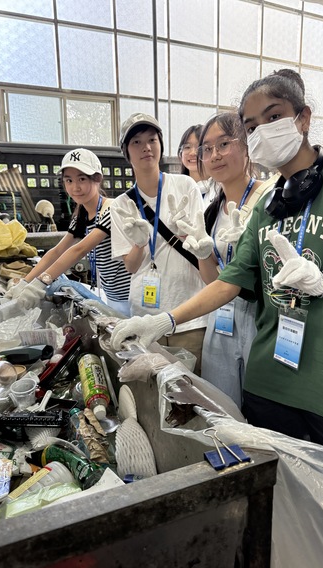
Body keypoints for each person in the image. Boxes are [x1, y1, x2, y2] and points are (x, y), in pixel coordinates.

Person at [110, 70, 323, 455]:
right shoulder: (270, 206)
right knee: (271, 484)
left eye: (274, 116)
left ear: (303, 118)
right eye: (251, 126)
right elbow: (228, 281)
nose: (263, 131)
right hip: (271, 383)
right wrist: (163, 321)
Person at [109, 113, 210, 376]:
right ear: (126, 152)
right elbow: (131, 267)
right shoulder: (121, 205)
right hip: (144, 320)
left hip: (188, 318)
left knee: (190, 391)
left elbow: (199, 243)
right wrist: (140, 243)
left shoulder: (185, 186)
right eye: (136, 142)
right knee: (152, 389)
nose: (146, 147)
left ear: (161, 145)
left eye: (152, 140)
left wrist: (187, 235)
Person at [187, 111, 269, 408]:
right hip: (220, 313)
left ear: (246, 145)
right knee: (221, 406)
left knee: (262, 409)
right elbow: (213, 281)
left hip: (260, 316)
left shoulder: (269, 198)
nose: (215, 155)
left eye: (224, 144)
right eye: (207, 148)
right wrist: (203, 254)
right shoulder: (211, 209)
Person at [4, 148, 131, 316]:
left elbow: (79, 250)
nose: (75, 187)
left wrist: (39, 284)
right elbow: (57, 251)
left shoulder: (112, 209)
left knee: (57, 285)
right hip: (111, 295)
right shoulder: (82, 215)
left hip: (130, 299)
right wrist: (25, 283)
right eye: (69, 180)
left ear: (97, 179)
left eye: (82, 179)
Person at [177, 124, 217, 206]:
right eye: (187, 147)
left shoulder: (221, 189)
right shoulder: (175, 189)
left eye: (199, 147)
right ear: (181, 153)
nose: (193, 153)